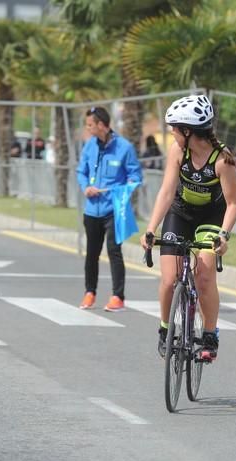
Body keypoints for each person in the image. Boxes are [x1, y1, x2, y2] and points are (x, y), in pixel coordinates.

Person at [140, 95, 236, 361]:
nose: (171, 133)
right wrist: (151, 229)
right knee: (170, 279)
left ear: (188, 131)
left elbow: (232, 204)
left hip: (211, 216)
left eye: (174, 128)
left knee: (205, 277)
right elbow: (166, 192)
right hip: (180, 213)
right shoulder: (177, 151)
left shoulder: (222, 160)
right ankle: (164, 330)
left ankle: (209, 335)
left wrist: (224, 235)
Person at [76, 106, 142, 312]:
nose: (87, 129)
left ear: (102, 125)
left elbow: (135, 177)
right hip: (91, 210)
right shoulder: (89, 146)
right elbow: (81, 171)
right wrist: (86, 187)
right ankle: (90, 292)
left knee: (114, 251)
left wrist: (122, 189)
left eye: (90, 125)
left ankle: (117, 296)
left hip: (113, 210)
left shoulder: (125, 148)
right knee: (92, 253)